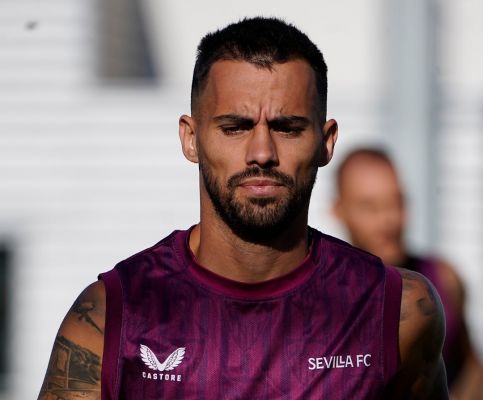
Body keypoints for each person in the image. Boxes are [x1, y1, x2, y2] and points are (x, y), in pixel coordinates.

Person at [38, 17, 448, 399]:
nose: (262, 153)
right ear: (191, 138)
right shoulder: (111, 318)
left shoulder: (396, 312)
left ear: (326, 143)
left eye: (287, 128)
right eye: (235, 128)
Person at [333, 147, 483, 399]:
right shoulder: (324, 296)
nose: (389, 220)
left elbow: (470, 367)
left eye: (397, 202)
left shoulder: (443, 279)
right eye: (370, 207)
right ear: (339, 210)